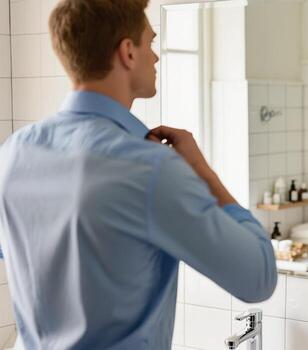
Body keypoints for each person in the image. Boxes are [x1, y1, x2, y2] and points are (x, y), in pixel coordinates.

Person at [0, 0, 277, 348]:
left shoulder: (14, 153)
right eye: (150, 43)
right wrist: (201, 171)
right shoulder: (150, 168)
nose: (156, 57)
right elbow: (258, 277)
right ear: (128, 53)